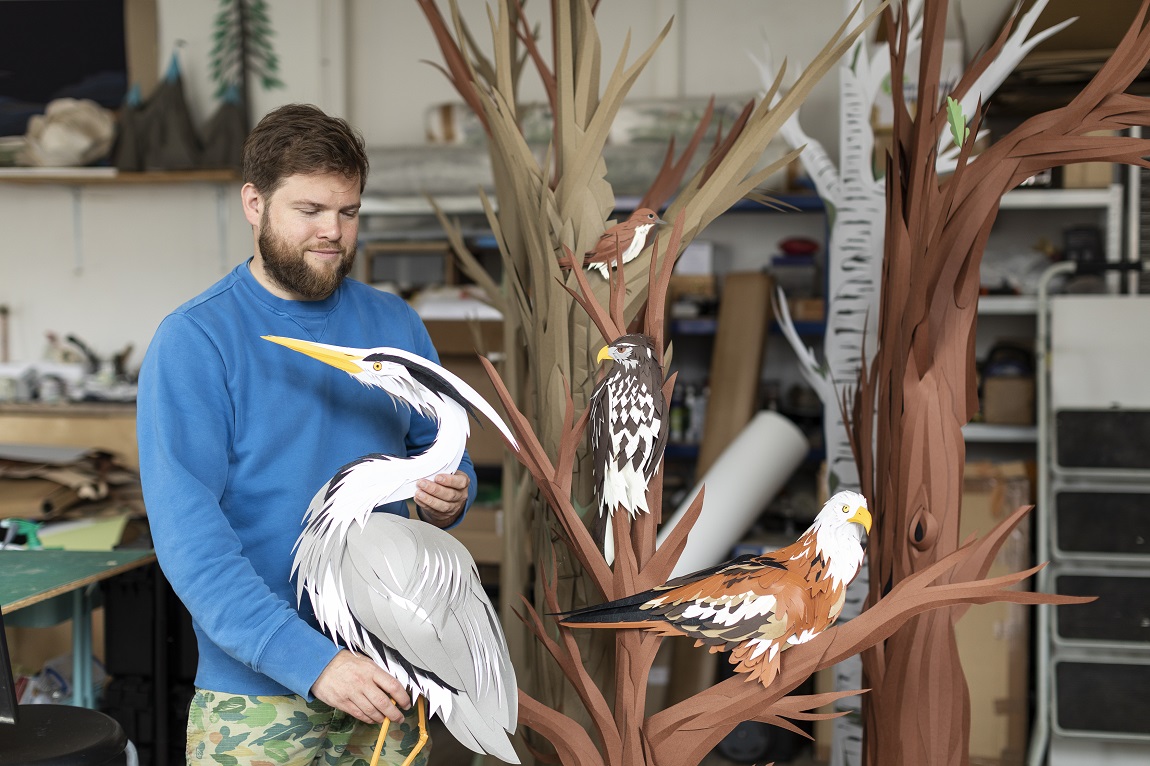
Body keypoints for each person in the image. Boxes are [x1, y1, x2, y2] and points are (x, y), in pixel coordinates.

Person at [137, 103, 475, 766]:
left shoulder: (396, 324)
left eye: (348, 213)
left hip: (389, 679)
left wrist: (449, 498)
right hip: (256, 699)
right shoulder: (196, 341)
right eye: (311, 210)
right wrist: (312, 662)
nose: (333, 232)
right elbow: (190, 543)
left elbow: (444, 457)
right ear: (254, 203)